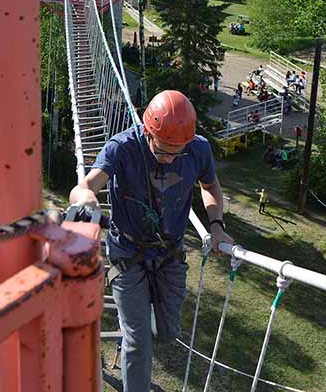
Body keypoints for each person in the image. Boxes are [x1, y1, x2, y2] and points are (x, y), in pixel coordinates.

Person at [69, 90, 233, 392]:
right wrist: (88, 198)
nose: (170, 158)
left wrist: (217, 225)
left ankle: (141, 321)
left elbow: (210, 185)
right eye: (163, 151)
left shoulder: (197, 149)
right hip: (127, 253)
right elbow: (84, 187)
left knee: (168, 332)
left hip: (169, 254)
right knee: (138, 341)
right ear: (147, 132)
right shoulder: (122, 147)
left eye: (177, 151)